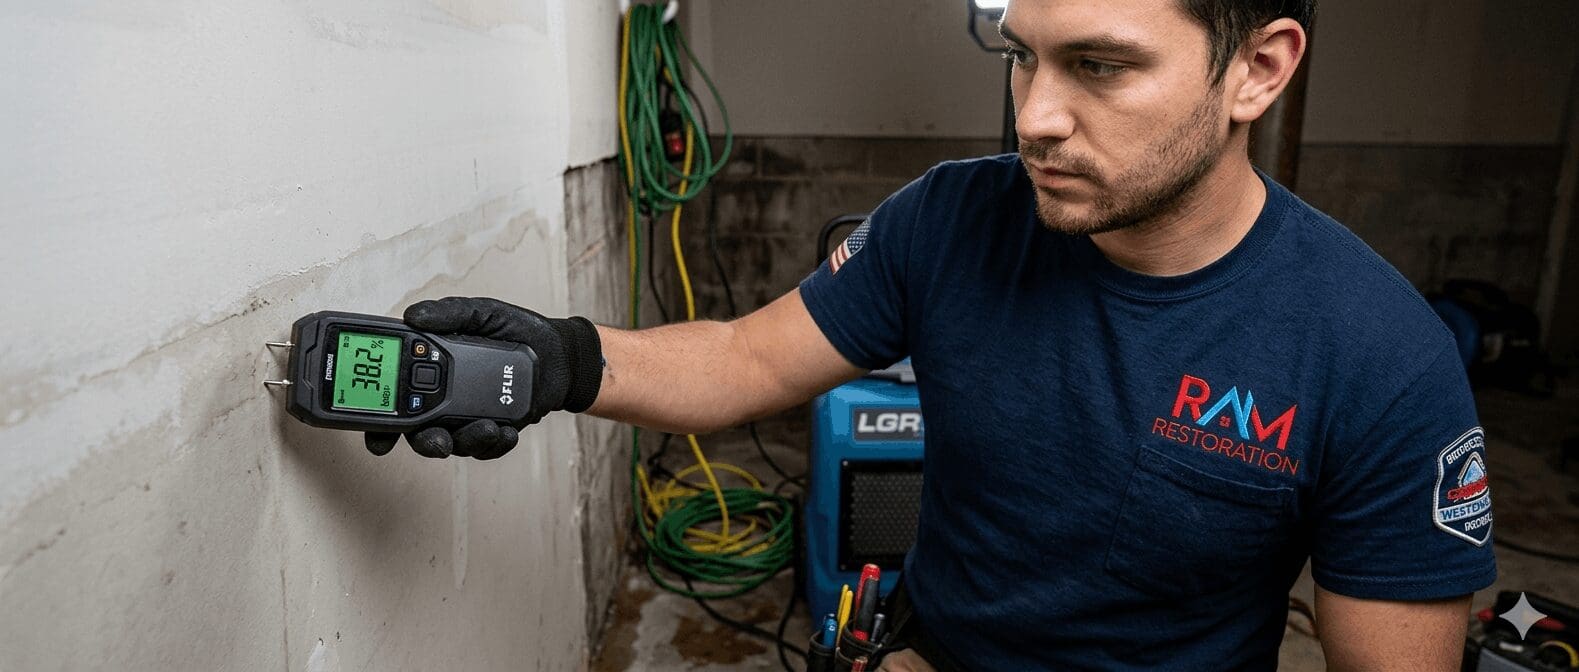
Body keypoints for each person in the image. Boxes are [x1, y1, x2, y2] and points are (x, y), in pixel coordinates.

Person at [366, 0, 1497, 669]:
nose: (1036, 116)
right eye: (1023, 57)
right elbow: (751, 359)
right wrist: (557, 363)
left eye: (1098, 65)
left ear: (1257, 69)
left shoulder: (1380, 355)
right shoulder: (953, 218)